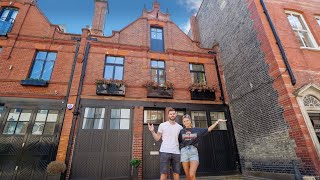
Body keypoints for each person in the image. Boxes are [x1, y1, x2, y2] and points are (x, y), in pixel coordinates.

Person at [179, 114, 227, 180]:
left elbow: (208, 129)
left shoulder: (197, 130)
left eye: (187, 120)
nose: (186, 122)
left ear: (190, 121)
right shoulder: (181, 131)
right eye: (184, 121)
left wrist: (216, 122)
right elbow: (178, 141)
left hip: (193, 152)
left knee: (191, 174)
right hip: (184, 152)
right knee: (188, 176)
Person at [148, 108, 183, 180]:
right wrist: (152, 131)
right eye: (171, 114)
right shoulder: (162, 125)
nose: (172, 115)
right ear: (168, 115)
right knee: (164, 173)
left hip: (176, 152)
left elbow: (181, 140)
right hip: (164, 152)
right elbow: (157, 138)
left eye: (173, 114)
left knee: (176, 173)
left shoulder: (180, 127)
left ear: (175, 114)